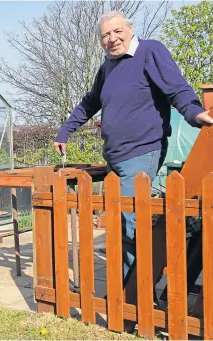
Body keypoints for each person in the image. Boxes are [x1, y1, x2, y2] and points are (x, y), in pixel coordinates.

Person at [54, 11, 211, 288]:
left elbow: (177, 89)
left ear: (130, 29)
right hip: (115, 155)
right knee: (119, 222)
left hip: (142, 151)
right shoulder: (107, 68)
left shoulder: (150, 51)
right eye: (105, 35)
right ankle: (128, 290)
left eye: (117, 31)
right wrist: (65, 130)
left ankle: (131, 294)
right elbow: (89, 103)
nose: (112, 39)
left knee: (128, 223)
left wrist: (194, 113)